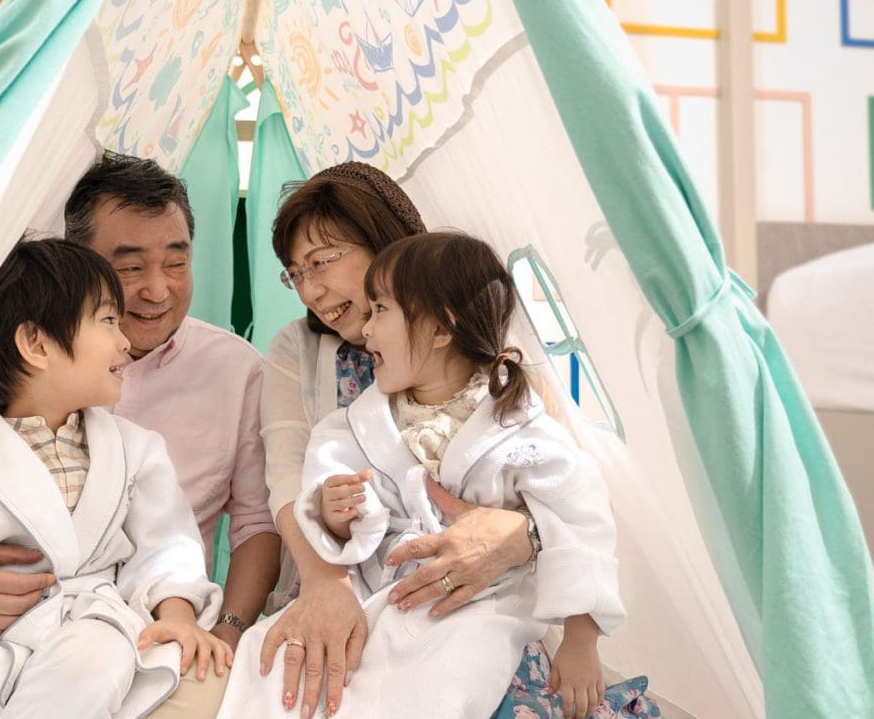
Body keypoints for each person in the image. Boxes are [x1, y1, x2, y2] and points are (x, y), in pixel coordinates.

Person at [0, 153, 281, 716]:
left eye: (177, 262)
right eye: (130, 267)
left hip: (154, 630)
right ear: (76, 264)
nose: (158, 291)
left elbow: (255, 526)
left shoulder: (238, 371)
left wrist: (227, 630)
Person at [219, 232, 624, 719]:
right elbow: (323, 496)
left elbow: (581, 522)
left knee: (440, 680)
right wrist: (336, 513)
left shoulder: (522, 428)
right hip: (375, 593)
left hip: (477, 606)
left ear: (440, 329)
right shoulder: (353, 425)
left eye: (381, 311)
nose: (366, 330)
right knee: (277, 663)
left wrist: (581, 641)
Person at [0, 239, 230, 718]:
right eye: (108, 320)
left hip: (88, 625)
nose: (124, 341)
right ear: (37, 344)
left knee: (95, 659)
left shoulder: (137, 452)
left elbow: (167, 544)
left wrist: (177, 614)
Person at [244, 163, 546, 719]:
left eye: (322, 262)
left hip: (475, 589)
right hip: (347, 572)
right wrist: (325, 581)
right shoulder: (299, 350)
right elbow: (288, 478)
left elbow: (553, 472)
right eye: (294, 273)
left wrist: (520, 533)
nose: (311, 290)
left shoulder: (473, 332)